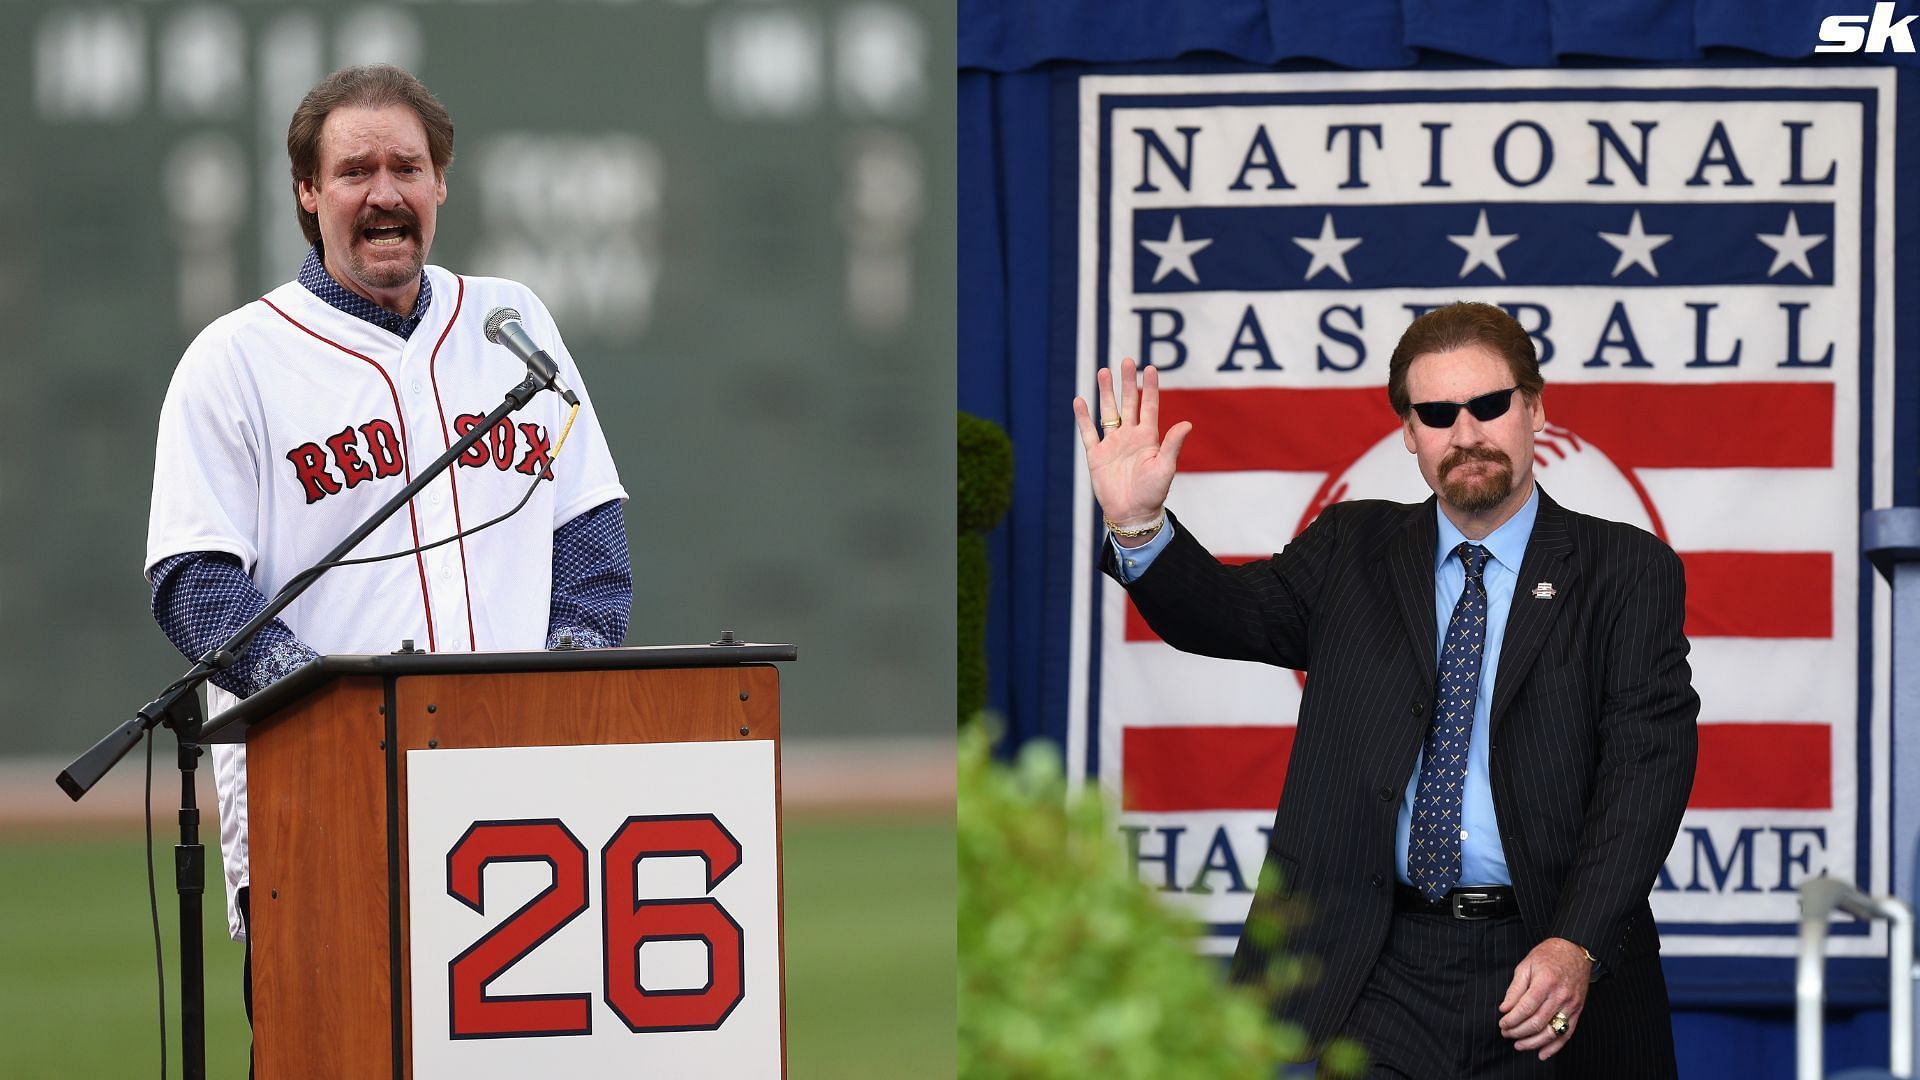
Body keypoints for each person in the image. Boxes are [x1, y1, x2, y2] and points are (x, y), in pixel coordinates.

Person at [1073, 302, 1697, 1078]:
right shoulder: (1350, 547)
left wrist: (1579, 943)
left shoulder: (1627, 571)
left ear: (1535, 408)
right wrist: (1138, 524)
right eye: (1435, 413)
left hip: (1547, 957)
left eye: (1489, 405)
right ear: (1409, 432)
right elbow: (1227, 617)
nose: (1464, 432)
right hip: (1379, 965)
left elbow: (1648, 774)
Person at [143, 63, 630, 1021]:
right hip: (323, 812)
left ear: (441, 184)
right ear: (308, 193)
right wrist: (339, 711)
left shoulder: (511, 321)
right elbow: (193, 583)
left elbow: (591, 537)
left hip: (519, 804)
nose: (385, 192)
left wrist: (563, 694)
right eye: (355, 170)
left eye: (407, 166)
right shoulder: (235, 360)